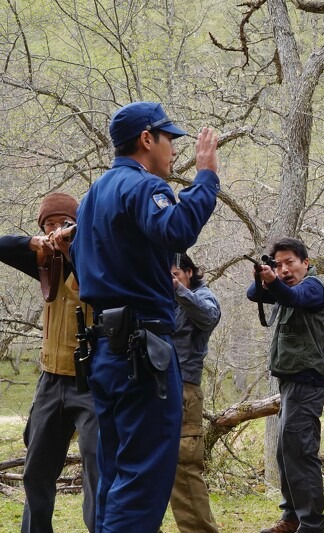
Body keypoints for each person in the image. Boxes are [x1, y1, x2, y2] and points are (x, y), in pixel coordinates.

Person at [70, 101, 219, 532]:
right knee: (143, 478)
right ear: (146, 139)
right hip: (143, 354)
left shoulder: (92, 196)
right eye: (169, 138)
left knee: (114, 474)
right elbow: (176, 230)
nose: (175, 149)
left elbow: (81, 270)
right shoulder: (139, 187)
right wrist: (206, 176)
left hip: (106, 350)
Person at [0, 193, 99, 533]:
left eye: (64, 223)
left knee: (97, 469)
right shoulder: (45, 262)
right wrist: (33, 242)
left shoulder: (97, 262)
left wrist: (73, 245)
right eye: (50, 225)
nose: (57, 230)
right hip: (51, 381)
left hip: (92, 381)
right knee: (37, 470)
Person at [246, 238, 324, 533]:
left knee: (301, 453)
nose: (284, 269)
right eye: (278, 264)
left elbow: (294, 298)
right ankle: (292, 517)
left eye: (289, 263)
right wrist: (263, 276)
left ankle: (311, 524)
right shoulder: (284, 288)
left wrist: (274, 281)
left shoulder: (313, 287)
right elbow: (251, 294)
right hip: (289, 384)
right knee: (286, 453)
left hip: (306, 382)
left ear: (305, 263)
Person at [169, 252, 222, 532]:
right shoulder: (154, 296)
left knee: (184, 468)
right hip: (149, 389)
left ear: (189, 272)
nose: (171, 280)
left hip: (184, 390)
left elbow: (209, 317)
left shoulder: (204, 296)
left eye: (176, 274)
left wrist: (177, 289)